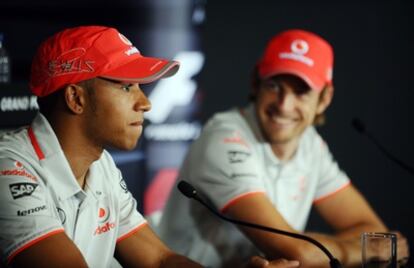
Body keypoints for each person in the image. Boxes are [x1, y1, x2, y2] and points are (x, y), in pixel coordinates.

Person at [0, 26, 300, 268]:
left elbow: (160, 260)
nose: (145, 103)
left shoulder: (100, 164)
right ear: (76, 99)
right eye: (126, 86)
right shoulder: (8, 168)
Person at [157, 29, 410, 267]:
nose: (284, 105)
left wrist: (333, 250)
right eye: (274, 85)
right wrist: (367, 250)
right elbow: (296, 253)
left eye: (301, 92)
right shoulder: (224, 137)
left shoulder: (310, 144)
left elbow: (368, 227)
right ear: (255, 83)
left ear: (325, 98)